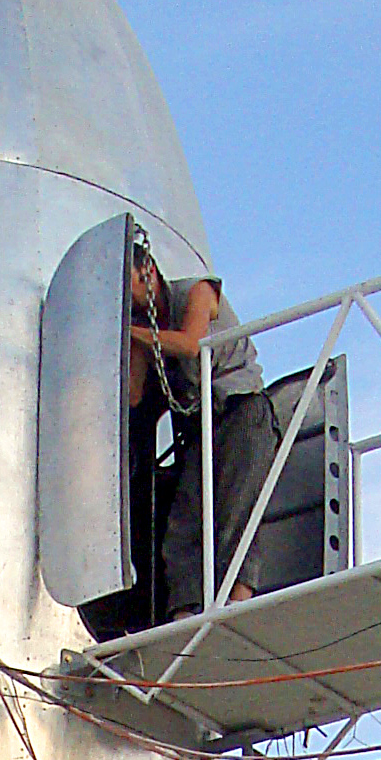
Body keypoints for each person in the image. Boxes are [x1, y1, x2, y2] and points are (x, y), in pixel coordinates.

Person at [130, 234, 279, 617]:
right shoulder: (145, 328)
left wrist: (132, 334)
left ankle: (236, 605)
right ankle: (185, 612)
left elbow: (192, 344)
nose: (125, 299)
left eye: (126, 283)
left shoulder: (197, 292)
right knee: (184, 522)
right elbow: (133, 396)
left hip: (242, 407)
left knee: (235, 505)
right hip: (203, 423)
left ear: (148, 270)